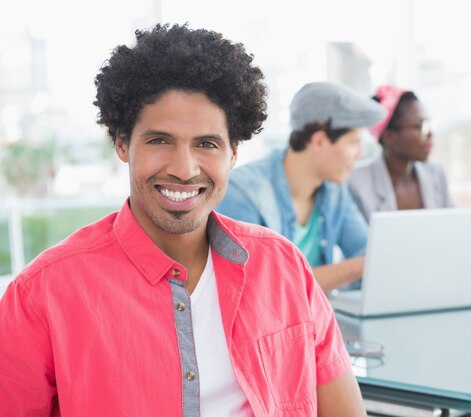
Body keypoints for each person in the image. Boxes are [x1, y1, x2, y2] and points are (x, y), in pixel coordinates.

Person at [0, 24, 366, 417]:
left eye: (206, 144)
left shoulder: (284, 267)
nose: (184, 169)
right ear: (123, 143)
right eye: (159, 141)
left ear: (233, 153)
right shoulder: (43, 294)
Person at [217, 81, 385, 292]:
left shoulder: (334, 190)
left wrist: (364, 265)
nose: (360, 153)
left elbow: (365, 251)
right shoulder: (242, 191)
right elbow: (262, 286)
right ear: (319, 142)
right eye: (353, 142)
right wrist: (359, 267)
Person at [348, 84, 453, 223]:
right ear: (389, 136)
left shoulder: (436, 173)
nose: (430, 134)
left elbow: (454, 225)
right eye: (419, 127)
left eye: (428, 124)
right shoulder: (355, 181)